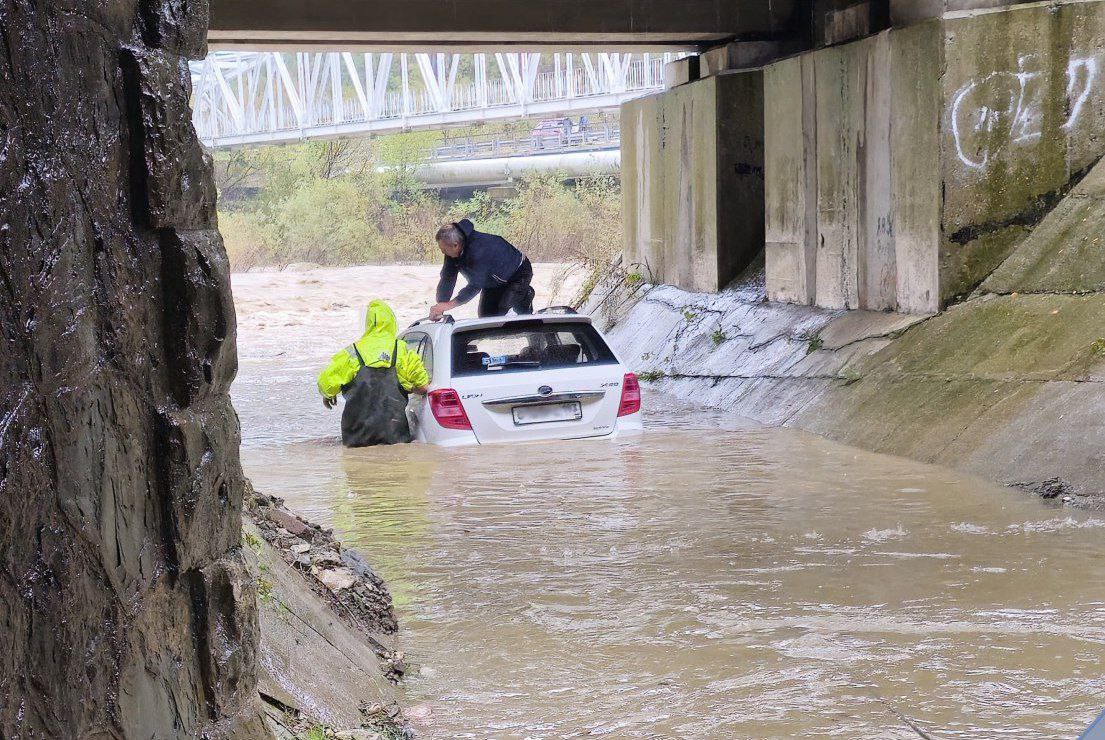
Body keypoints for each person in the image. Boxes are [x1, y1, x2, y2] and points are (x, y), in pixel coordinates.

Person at [317, 300, 429, 447]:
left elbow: (326, 383)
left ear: (368, 323)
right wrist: (410, 388)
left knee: (357, 466)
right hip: (394, 431)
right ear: (392, 322)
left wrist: (328, 395)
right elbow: (423, 387)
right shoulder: (402, 349)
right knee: (398, 467)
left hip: (357, 433)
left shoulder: (352, 351)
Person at [430, 219, 535, 319]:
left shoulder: (478, 251)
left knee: (502, 313)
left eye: (443, 249)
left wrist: (450, 305)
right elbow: (447, 278)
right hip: (492, 279)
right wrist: (440, 306)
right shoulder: (452, 251)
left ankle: (526, 295)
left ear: (456, 245)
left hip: (518, 273)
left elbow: (475, 287)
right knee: (486, 318)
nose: (442, 252)